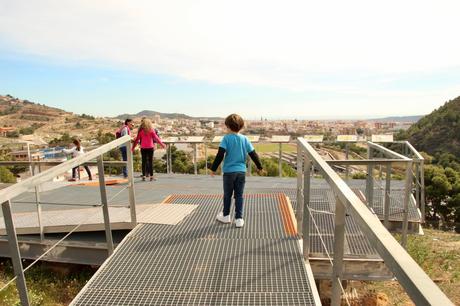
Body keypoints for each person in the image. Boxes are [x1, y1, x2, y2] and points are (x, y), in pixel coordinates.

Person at [210, 114, 263, 228]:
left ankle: (226, 216)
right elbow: (253, 154)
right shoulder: (244, 139)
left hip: (229, 172)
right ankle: (239, 219)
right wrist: (259, 166)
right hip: (241, 172)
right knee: (239, 195)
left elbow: (220, 154)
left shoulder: (226, 138)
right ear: (241, 126)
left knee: (227, 195)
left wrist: (213, 169)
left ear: (228, 126)